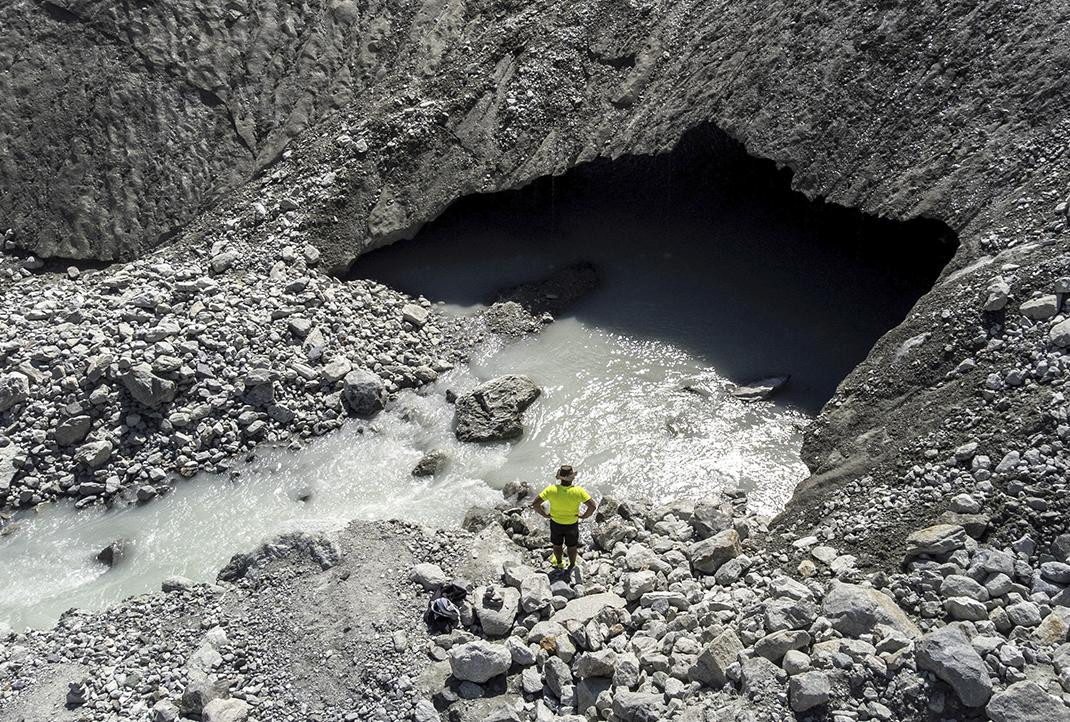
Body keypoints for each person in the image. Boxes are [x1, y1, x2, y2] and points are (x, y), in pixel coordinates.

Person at [532, 464, 597, 570]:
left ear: (560, 478)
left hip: (556, 523)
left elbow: (535, 504)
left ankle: (559, 563)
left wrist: (544, 514)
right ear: (572, 478)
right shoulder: (578, 491)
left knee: (557, 545)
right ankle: (571, 565)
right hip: (572, 524)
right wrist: (584, 516)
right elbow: (592, 506)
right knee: (572, 546)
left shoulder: (551, 490)